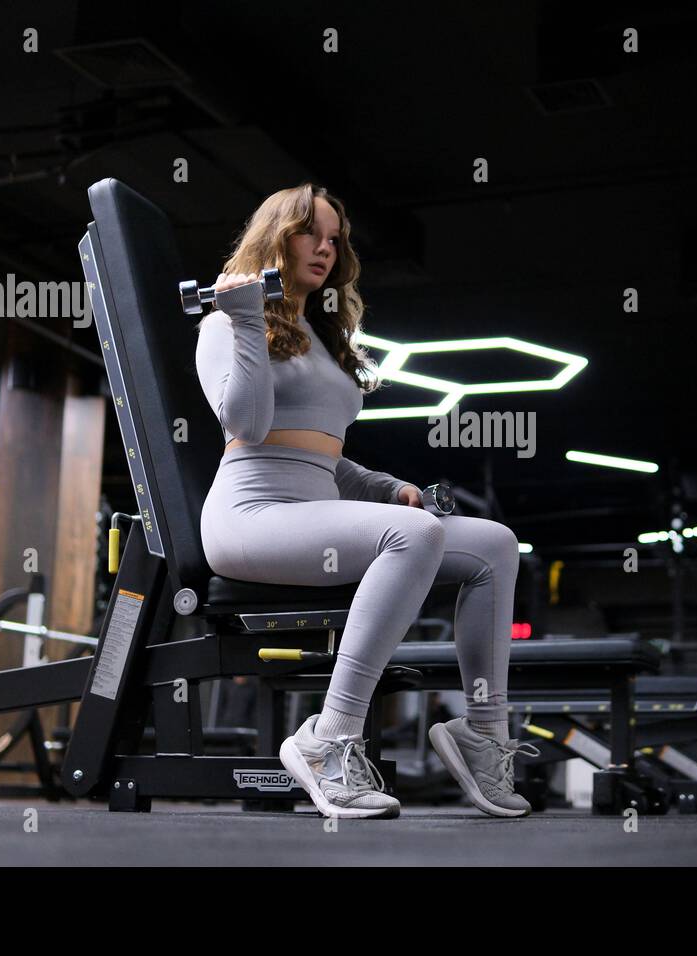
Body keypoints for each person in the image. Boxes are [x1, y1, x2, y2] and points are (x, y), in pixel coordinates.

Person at [195, 183, 537, 819]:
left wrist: (380, 487)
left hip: (312, 509)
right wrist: (243, 319)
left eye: (334, 239)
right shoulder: (226, 322)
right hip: (251, 517)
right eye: (310, 233)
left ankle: (483, 734)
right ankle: (329, 739)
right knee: (412, 535)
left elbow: (320, 456)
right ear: (277, 236)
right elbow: (245, 424)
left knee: (493, 543)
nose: (325, 248)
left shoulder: (316, 334)